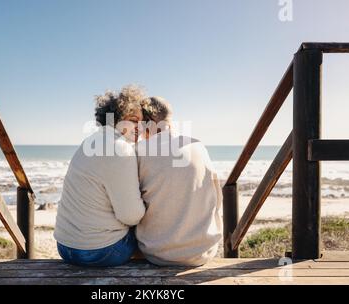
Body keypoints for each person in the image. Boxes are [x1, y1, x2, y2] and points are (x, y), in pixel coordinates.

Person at [54, 85, 147, 267]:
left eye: (142, 123)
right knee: (152, 237)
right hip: (99, 252)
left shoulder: (89, 142)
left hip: (65, 247)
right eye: (134, 120)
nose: (140, 128)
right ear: (115, 119)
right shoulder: (121, 149)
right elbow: (131, 217)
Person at [135, 97, 223, 266]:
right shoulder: (198, 146)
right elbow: (217, 199)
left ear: (149, 121)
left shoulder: (140, 151)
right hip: (203, 252)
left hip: (156, 254)